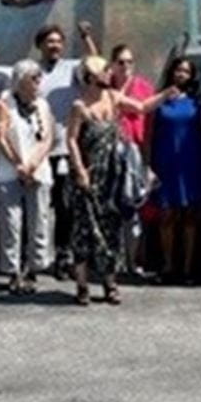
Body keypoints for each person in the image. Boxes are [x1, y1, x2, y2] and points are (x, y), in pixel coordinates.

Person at [35, 21, 100, 278]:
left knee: (65, 207)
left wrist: (86, 37)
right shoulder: (33, 71)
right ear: (40, 45)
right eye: (49, 41)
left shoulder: (72, 68)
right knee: (40, 206)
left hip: (64, 149)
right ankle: (37, 257)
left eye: (58, 41)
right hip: (38, 150)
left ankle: (64, 255)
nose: (54, 46)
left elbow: (95, 64)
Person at [143, 56, 201, 283]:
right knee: (167, 215)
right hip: (166, 164)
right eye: (178, 70)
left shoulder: (197, 102)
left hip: (191, 164)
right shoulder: (160, 100)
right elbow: (149, 136)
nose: (181, 74)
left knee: (190, 216)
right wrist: (148, 165)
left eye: (186, 71)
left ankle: (189, 269)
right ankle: (168, 266)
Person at [66, 56, 125, 305]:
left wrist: (167, 93)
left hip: (110, 176)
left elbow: (142, 107)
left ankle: (110, 284)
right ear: (90, 77)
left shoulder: (112, 98)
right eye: (103, 72)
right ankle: (81, 285)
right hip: (88, 175)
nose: (108, 74)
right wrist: (79, 169)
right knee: (84, 230)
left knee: (110, 228)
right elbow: (71, 139)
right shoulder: (79, 106)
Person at [0, 59, 54, 294]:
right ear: (21, 81)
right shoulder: (5, 104)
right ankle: (13, 272)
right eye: (34, 77)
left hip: (38, 171)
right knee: (11, 223)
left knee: (38, 220)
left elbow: (47, 138)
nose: (39, 81)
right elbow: (1, 137)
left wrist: (33, 165)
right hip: (10, 171)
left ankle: (33, 269)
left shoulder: (42, 105)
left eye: (39, 77)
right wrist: (19, 164)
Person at [109, 44, 155, 279]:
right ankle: (114, 261)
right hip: (109, 153)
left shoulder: (144, 87)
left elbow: (149, 125)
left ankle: (134, 261)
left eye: (129, 62)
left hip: (135, 152)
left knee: (135, 207)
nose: (125, 66)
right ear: (112, 64)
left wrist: (148, 163)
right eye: (121, 62)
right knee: (112, 208)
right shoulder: (105, 87)